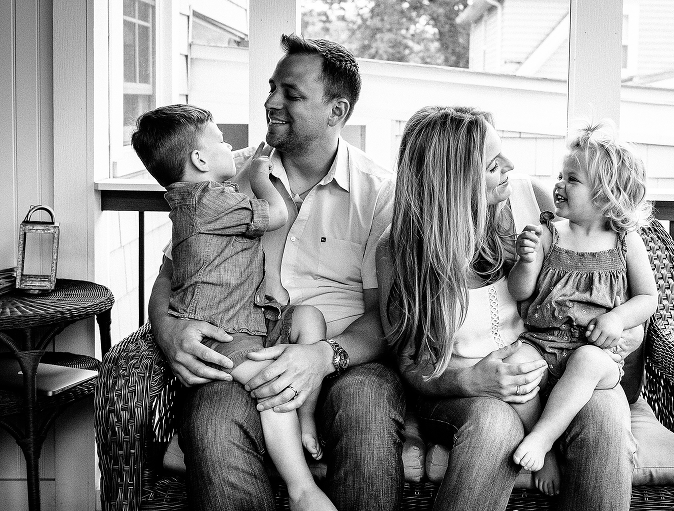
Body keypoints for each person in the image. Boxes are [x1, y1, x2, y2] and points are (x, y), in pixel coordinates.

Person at [147, 36, 405, 511]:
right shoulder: (228, 177)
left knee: (366, 410)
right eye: (271, 87)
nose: (270, 102)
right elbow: (170, 273)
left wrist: (319, 359)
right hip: (240, 348)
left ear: (336, 110)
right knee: (210, 420)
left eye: (291, 92)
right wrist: (166, 330)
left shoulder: (380, 194)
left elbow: (383, 320)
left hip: (343, 357)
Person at [377, 106, 643, 511]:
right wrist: (470, 382)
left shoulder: (531, 201)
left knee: (604, 414)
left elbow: (609, 292)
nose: (510, 166)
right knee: (494, 422)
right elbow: (410, 365)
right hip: (456, 391)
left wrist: (622, 331)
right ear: (453, 180)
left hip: (552, 368)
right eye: (492, 163)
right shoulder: (400, 253)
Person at [131, 104, 336, 511]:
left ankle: (306, 419)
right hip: (224, 331)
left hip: (252, 317)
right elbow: (279, 213)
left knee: (310, 319)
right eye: (222, 140)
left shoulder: (200, 198)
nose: (232, 146)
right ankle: (302, 489)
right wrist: (261, 175)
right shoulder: (211, 201)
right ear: (200, 159)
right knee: (271, 388)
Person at [508, 122, 658, 496]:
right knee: (513, 367)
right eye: (561, 175)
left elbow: (647, 298)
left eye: (572, 179)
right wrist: (525, 262)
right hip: (541, 344)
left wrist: (616, 317)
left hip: (595, 355)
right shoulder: (548, 233)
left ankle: (543, 438)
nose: (559, 184)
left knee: (587, 362)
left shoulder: (625, 242)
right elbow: (519, 292)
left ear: (606, 196)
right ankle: (549, 452)